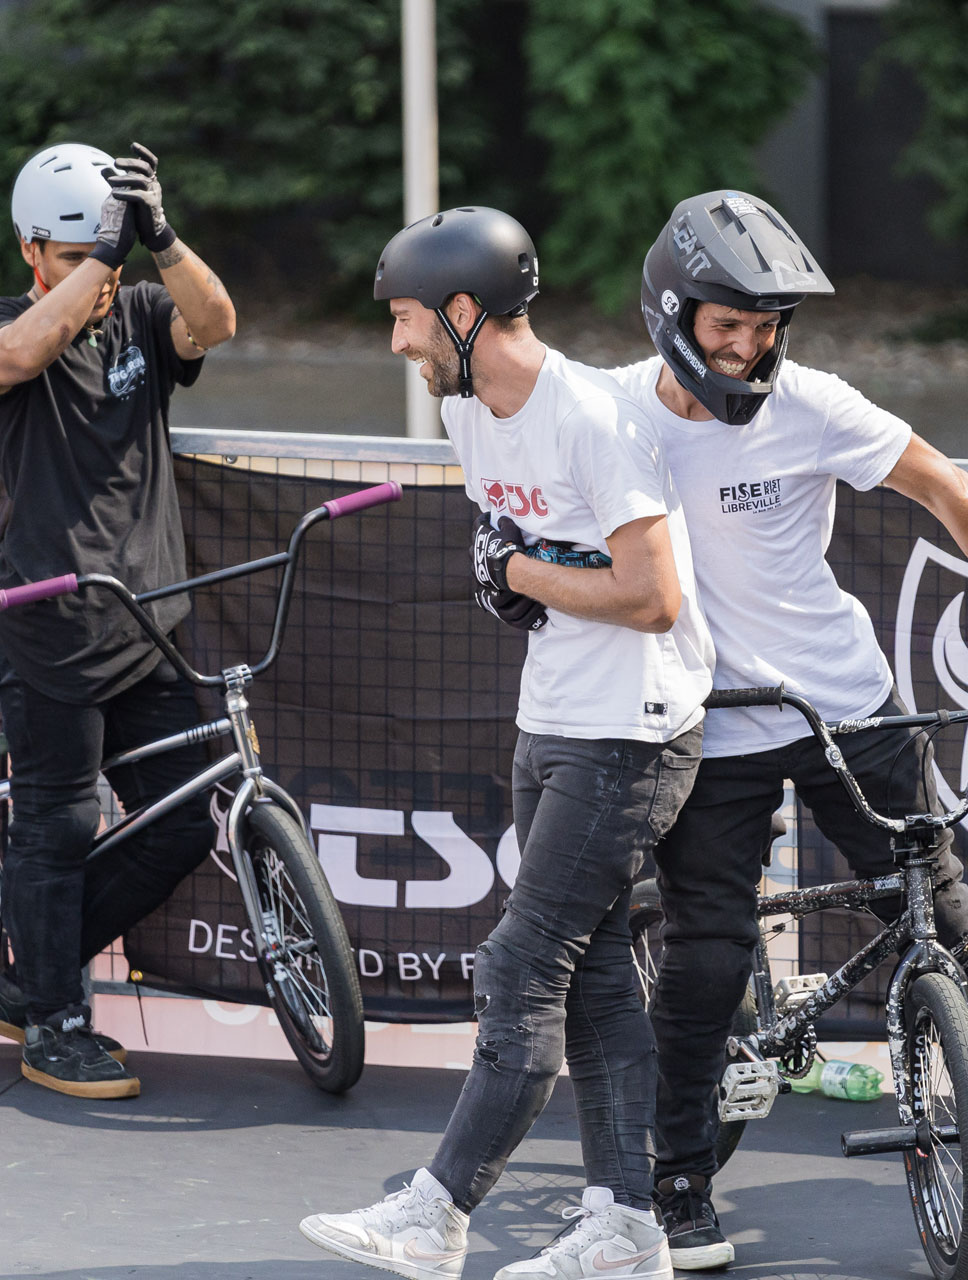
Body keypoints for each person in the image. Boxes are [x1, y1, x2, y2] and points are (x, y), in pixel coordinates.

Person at [300, 206, 714, 1280]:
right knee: (594, 980)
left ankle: (436, 1210)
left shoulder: (589, 416)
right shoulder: (472, 411)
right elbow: (529, 563)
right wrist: (520, 578)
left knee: (521, 965)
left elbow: (655, 596)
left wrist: (519, 575)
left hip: (631, 732)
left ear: (466, 310)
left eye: (405, 320)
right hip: (552, 716)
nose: (396, 344)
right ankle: (626, 1228)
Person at [605, 188, 968, 1270]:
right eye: (729, 326)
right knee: (708, 956)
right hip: (708, 718)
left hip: (842, 698)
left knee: (944, 904)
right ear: (672, 312)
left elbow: (941, 486)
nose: (751, 349)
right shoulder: (612, 413)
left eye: (767, 328)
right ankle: (677, 1177)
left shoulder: (810, 402)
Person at [0, 140, 236, 1098]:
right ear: (33, 253)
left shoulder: (143, 313)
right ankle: (51, 1023)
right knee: (57, 826)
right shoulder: (0, 327)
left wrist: (157, 237)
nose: (98, 276)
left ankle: (27, 978)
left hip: (145, 626)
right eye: (77, 258)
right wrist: (103, 262)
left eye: (103, 254)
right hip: (46, 631)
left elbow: (218, 321)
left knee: (182, 825)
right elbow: (20, 353)